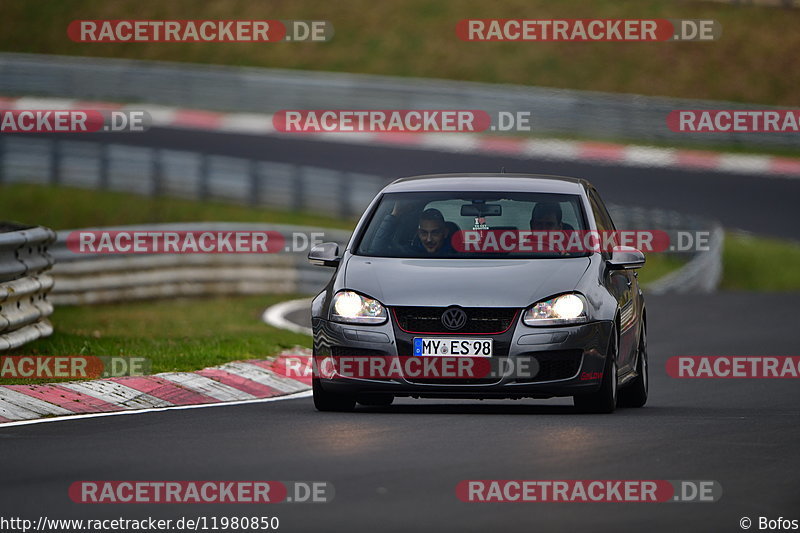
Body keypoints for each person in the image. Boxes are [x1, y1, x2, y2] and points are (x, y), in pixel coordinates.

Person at [374, 204, 453, 255]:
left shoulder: (458, 254)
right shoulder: (408, 253)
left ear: (445, 233)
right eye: (424, 233)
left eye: (435, 233)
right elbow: (376, 250)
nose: (429, 239)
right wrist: (395, 214)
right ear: (418, 233)